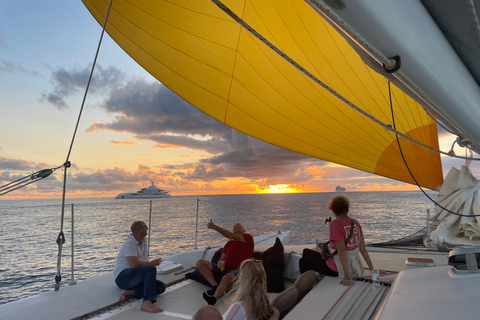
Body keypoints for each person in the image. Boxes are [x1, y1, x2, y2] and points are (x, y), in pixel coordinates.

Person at [299, 195, 374, 286]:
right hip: (356, 268)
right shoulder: (355, 222)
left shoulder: (335, 224)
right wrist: (373, 270)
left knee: (305, 253)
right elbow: (363, 250)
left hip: (336, 269)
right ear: (347, 209)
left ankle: (305, 285)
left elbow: (342, 252)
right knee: (303, 260)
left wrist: (346, 277)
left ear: (333, 210)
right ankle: (311, 280)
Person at [197, 220, 254, 306]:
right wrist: (220, 261)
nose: (236, 230)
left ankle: (213, 298)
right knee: (200, 263)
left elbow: (230, 235)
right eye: (234, 229)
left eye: (239, 228)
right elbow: (222, 257)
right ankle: (215, 286)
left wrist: (214, 226)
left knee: (226, 277)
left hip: (239, 269)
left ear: (244, 230)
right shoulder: (229, 243)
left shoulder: (248, 238)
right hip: (224, 268)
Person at [113, 221, 166, 313]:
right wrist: (151, 264)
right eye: (145, 226)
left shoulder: (143, 241)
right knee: (150, 269)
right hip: (123, 277)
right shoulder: (130, 243)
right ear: (138, 229)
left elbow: (143, 263)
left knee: (161, 287)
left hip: (135, 277)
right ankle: (147, 302)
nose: (147, 228)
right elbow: (133, 265)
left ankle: (130, 292)